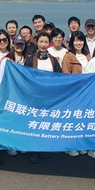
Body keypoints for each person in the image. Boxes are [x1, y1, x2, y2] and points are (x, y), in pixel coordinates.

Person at [24, 32, 60, 164]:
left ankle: (43, 148)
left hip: (49, 98)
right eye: (41, 42)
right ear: (37, 43)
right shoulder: (30, 60)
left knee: (45, 124)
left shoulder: (53, 60)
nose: (43, 45)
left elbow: (59, 78)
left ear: (49, 43)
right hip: (35, 98)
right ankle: (33, 150)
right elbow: (25, 78)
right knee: (34, 124)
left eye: (46, 42)